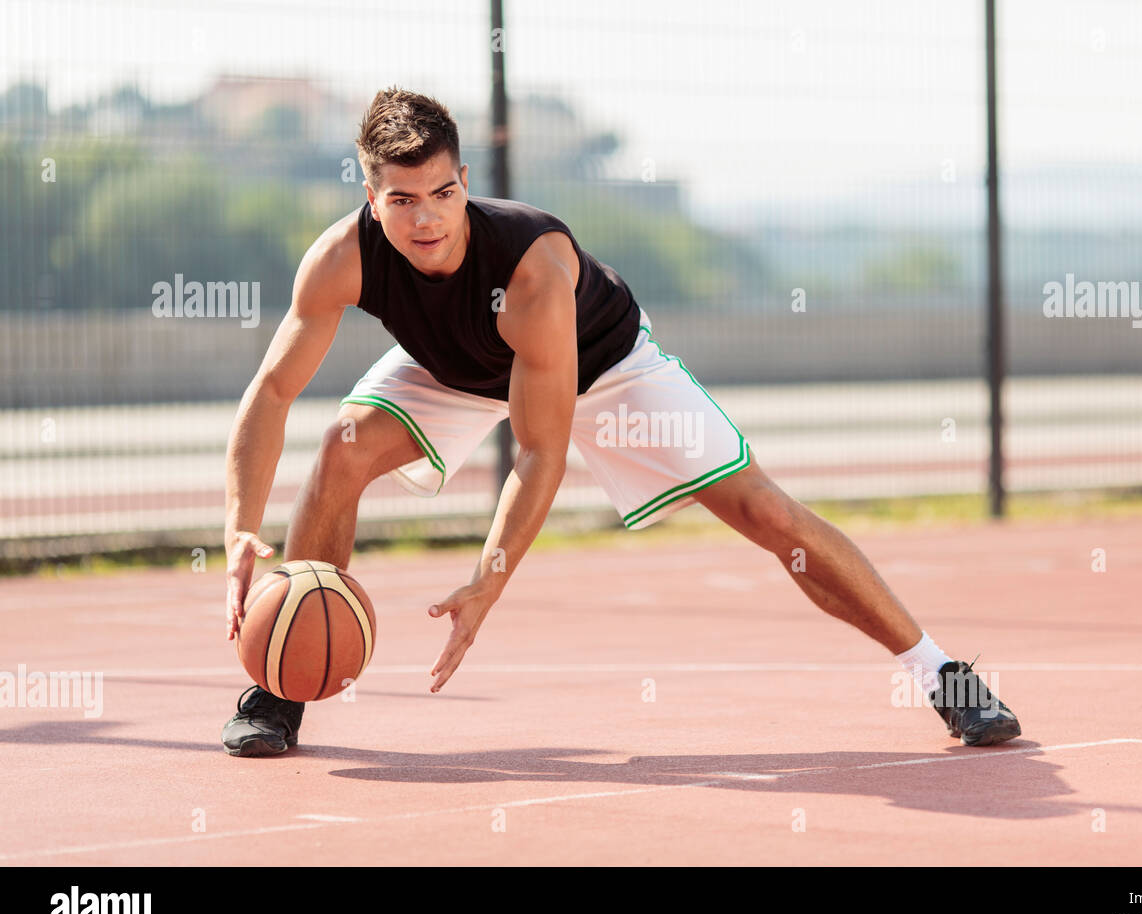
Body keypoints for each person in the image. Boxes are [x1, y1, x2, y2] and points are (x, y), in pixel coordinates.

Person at [221, 87, 1020, 757]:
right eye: (401, 200)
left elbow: (539, 452)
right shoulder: (342, 257)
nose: (426, 219)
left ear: (463, 179)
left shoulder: (532, 264)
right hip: (455, 369)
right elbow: (270, 394)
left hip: (601, 366)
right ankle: (279, 687)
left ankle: (941, 673)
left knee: (765, 512)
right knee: (340, 447)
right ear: (371, 196)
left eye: (442, 193)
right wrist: (236, 528)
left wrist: (487, 584)